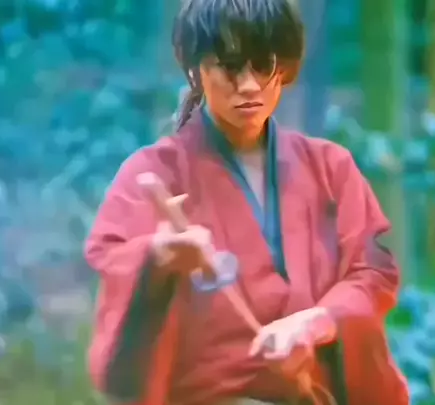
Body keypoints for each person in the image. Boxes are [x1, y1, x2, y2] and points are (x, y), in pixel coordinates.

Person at [84, 0, 409, 404]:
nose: (250, 85)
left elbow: (372, 275)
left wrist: (316, 323)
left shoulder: (331, 168)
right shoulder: (153, 171)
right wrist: (160, 257)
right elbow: (116, 262)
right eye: (230, 67)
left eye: (262, 65)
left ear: (283, 67)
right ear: (197, 69)